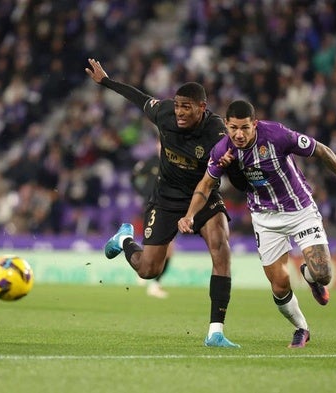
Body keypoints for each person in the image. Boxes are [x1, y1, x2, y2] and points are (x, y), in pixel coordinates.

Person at [85, 58, 248, 347]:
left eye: (187, 107)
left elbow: (238, 181)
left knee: (221, 248)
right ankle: (124, 240)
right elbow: (139, 98)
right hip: (166, 199)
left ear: (202, 107)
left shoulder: (218, 133)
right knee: (149, 271)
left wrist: (231, 165)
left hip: (205, 195)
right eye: (178, 105)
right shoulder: (164, 114)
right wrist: (106, 82)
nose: (180, 112)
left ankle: (215, 332)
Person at [178, 100, 336, 348]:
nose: (239, 134)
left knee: (323, 273)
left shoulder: (277, 135)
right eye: (234, 128)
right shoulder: (223, 151)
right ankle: (302, 328)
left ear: (254, 124)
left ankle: (310, 276)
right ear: (226, 125)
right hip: (265, 219)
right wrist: (190, 215)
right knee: (279, 286)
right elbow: (205, 184)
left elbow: (321, 150)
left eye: (245, 127)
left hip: (300, 209)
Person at [131, 152, 172, 299]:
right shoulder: (151, 161)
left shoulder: (175, 160)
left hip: (170, 207)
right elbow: (134, 176)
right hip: (153, 206)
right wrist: (143, 193)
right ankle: (148, 276)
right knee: (153, 241)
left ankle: (152, 281)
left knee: (167, 248)